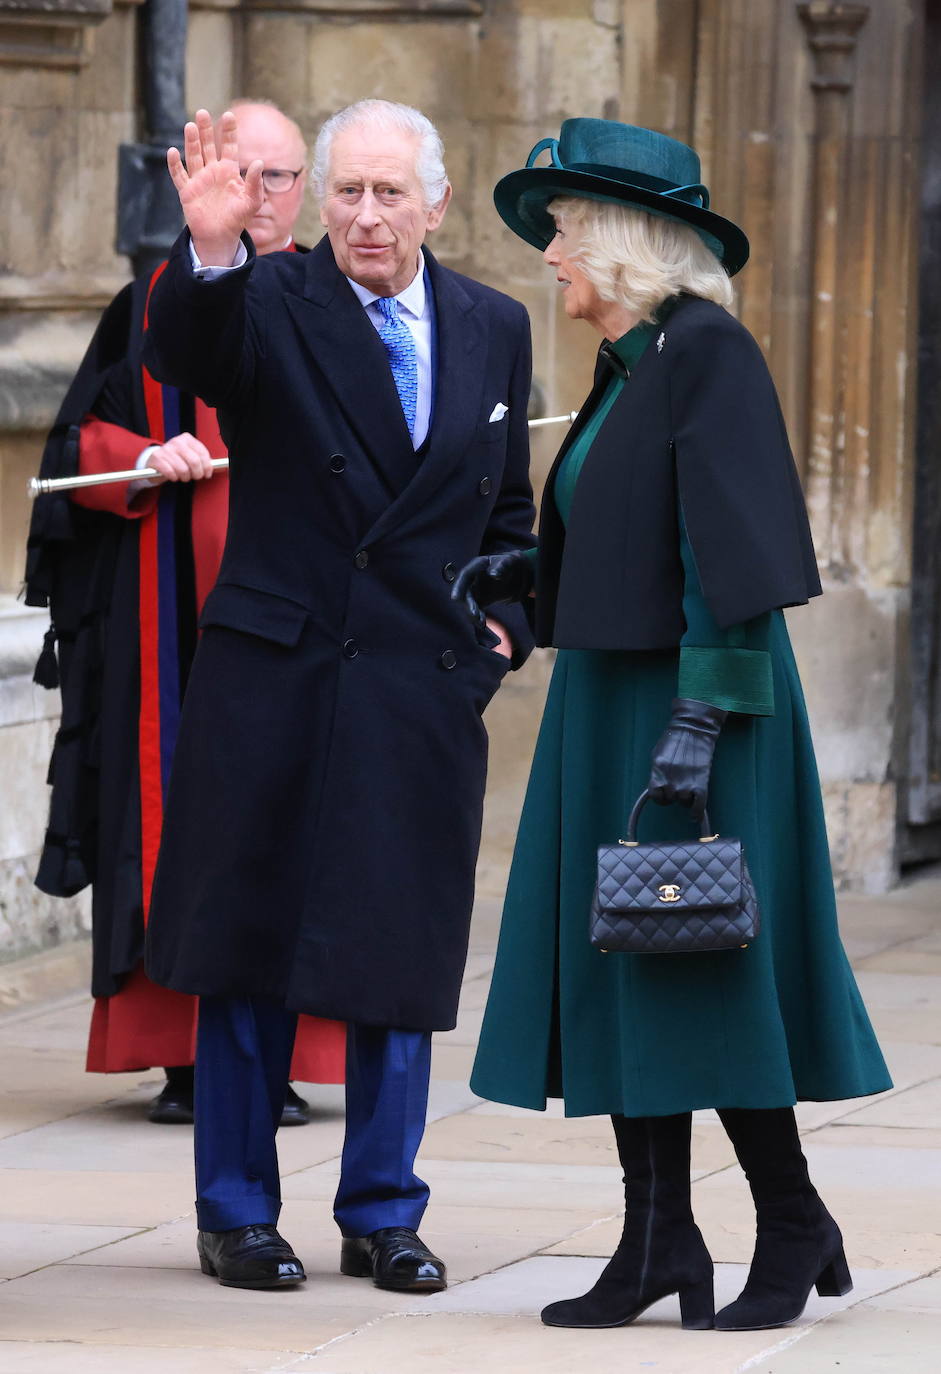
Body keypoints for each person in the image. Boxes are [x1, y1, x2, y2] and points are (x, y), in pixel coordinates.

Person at [454, 118, 892, 1334]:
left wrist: (699, 717)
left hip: (705, 697)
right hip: (610, 697)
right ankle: (659, 1242)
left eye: (565, 234)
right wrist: (513, 586)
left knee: (709, 970)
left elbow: (731, 554)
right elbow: (616, 531)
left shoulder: (706, 353)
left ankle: (791, 1220)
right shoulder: (633, 363)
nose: (550, 257)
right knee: (626, 967)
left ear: (626, 245)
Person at [138, 100, 535, 1292]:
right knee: (248, 950)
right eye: (347, 193)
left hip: (416, 690)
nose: (367, 216)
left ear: (437, 203)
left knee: (395, 956)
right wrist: (207, 253)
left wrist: (503, 633)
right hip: (278, 677)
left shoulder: (492, 324)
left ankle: (382, 1210)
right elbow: (185, 357)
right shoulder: (264, 300)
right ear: (320, 204)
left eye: (389, 194)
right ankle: (237, 1213)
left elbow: (506, 513)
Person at [23, 101, 346, 1127]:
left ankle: (282, 1054)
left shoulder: (343, 303)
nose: (258, 194)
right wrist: (140, 461)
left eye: (280, 176)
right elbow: (70, 453)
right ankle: (186, 1060)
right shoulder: (152, 300)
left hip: (302, 628)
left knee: (297, 828)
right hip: (172, 633)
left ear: (304, 191)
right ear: (199, 177)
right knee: (175, 829)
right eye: (238, 170)